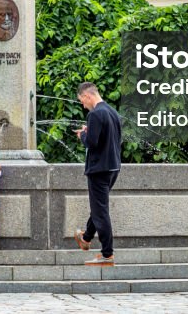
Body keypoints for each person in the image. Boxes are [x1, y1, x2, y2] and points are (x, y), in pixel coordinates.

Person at [73, 81, 122, 266]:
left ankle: (107, 255)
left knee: (101, 211)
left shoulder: (94, 114)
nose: (83, 105)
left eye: (82, 101)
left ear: (87, 96)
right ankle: (85, 238)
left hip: (99, 169)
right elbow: (112, 139)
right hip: (113, 167)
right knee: (98, 206)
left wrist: (82, 135)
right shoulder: (112, 112)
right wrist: (90, 132)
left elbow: (91, 143)